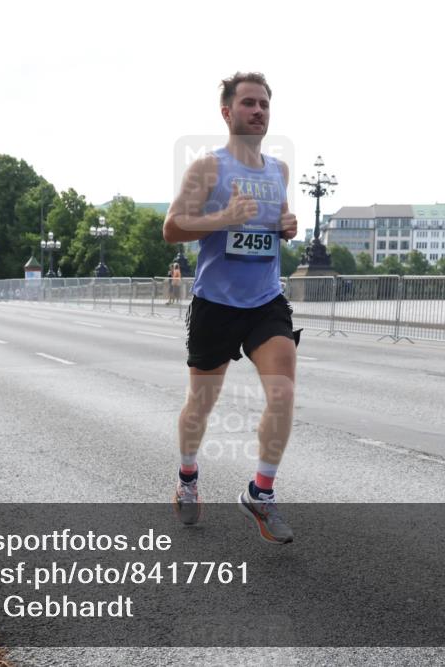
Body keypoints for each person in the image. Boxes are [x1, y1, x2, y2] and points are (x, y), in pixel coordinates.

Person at [162, 72, 300, 544]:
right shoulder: (209, 168)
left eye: (264, 104)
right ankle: (186, 478)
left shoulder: (278, 171)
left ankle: (261, 493)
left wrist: (286, 226)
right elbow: (172, 228)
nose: (258, 111)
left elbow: (271, 227)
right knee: (201, 404)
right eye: (248, 103)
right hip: (215, 302)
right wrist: (222, 219)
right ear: (227, 112)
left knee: (282, 393)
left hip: (265, 298)